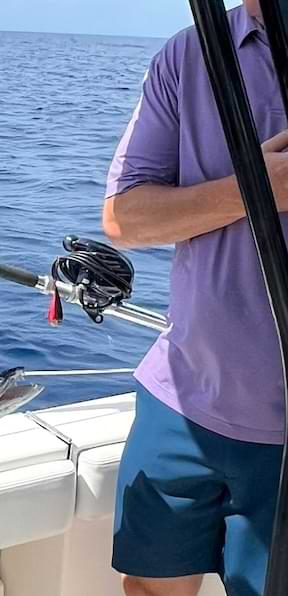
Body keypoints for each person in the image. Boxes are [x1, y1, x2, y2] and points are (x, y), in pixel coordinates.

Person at [103, 2, 287, 595]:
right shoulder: (189, 52)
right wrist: (256, 187)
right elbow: (125, 218)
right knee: (150, 587)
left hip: (281, 434)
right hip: (179, 399)